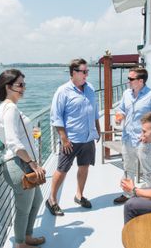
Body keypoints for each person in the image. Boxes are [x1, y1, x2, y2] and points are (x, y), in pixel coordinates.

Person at [0, 69, 46, 248]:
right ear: (8, 87)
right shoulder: (10, 108)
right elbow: (12, 141)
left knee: (37, 200)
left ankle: (27, 236)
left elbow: (5, 135)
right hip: (19, 165)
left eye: (24, 84)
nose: (23, 88)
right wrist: (32, 163)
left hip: (23, 163)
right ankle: (20, 243)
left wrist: (29, 136)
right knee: (23, 208)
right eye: (20, 85)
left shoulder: (9, 107)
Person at [47, 58, 101, 216]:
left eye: (87, 71)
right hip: (71, 139)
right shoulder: (63, 91)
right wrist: (64, 138)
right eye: (84, 71)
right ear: (74, 73)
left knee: (84, 167)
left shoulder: (90, 88)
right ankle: (52, 200)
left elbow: (94, 110)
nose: (86, 74)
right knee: (62, 169)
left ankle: (79, 195)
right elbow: (56, 117)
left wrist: (97, 129)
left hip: (88, 137)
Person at [113, 67, 151, 205]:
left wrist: (149, 136)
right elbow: (121, 109)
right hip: (127, 137)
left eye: (131, 79)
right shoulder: (126, 94)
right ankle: (128, 194)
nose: (128, 81)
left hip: (144, 140)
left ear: (140, 81)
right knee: (128, 167)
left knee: (148, 169)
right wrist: (119, 116)